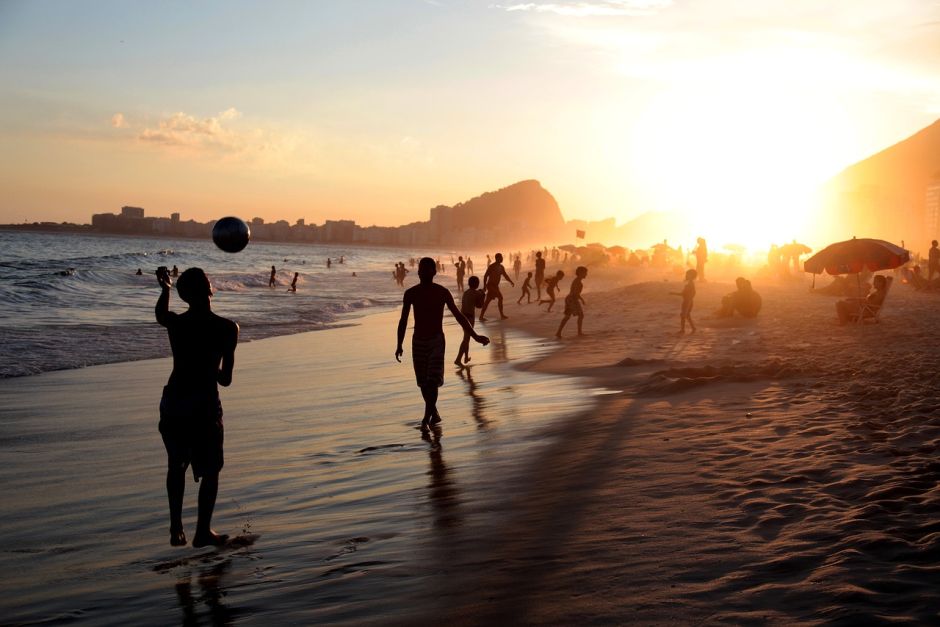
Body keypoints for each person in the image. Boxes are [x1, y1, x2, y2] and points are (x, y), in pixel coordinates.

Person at [155, 266, 238, 548]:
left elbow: (161, 316)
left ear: (185, 296)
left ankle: (176, 526)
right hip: (203, 404)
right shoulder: (227, 328)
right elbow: (225, 380)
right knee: (211, 469)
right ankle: (203, 530)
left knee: (176, 464)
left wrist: (165, 288)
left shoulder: (178, 325)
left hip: (176, 400)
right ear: (210, 289)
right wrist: (208, 365)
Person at [396, 258, 489, 428]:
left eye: (427, 269)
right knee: (423, 382)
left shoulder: (442, 292)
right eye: (421, 269)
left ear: (434, 272)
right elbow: (403, 321)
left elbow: (459, 317)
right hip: (418, 341)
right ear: (418, 272)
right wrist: (399, 344)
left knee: (432, 380)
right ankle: (434, 412)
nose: (424, 272)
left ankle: (427, 416)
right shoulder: (411, 293)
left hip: (436, 340)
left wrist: (475, 336)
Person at [455, 275, 485, 366]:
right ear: (477, 284)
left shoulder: (466, 292)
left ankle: (466, 357)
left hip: (462, 316)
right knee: (466, 338)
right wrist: (483, 295)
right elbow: (479, 306)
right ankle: (458, 359)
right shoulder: (477, 293)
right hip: (469, 317)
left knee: (466, 337)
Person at [479, 253, 515, 321]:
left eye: (502, 257)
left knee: (487, 301)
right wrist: (484, 286)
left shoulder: (501, 267)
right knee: (500, 297)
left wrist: (510, 281)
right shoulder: (492, 266)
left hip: (495, 286)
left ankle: (481, 316)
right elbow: (485, 275)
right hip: (490, 285)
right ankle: (501, 315)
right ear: (497, 258)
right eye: (501, 257)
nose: (502, 259)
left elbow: (505, 275)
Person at [556, 266, 587, 338]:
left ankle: (558, 332)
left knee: (567, 316)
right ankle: (579, 332)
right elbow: (575, 293)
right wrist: (580, 300)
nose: (586, 274)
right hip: (572, 299)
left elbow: (574, 292)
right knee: (581, 315)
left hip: (569, 299)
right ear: (580, 273)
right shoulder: (578, 282)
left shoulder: (577, 281)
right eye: (585, 273)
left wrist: (581, 299)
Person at [671, 269, 697, 334]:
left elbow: (687, 294)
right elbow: (688, 294)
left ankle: (682, 330)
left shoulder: (690, 284)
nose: (686, 275)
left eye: (688, 274)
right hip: (688, 301)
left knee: (683, 315)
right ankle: (693, 328)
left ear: (691, 276)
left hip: (687, 302)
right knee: (687, 315)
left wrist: (673, 293)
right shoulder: (690, 284)